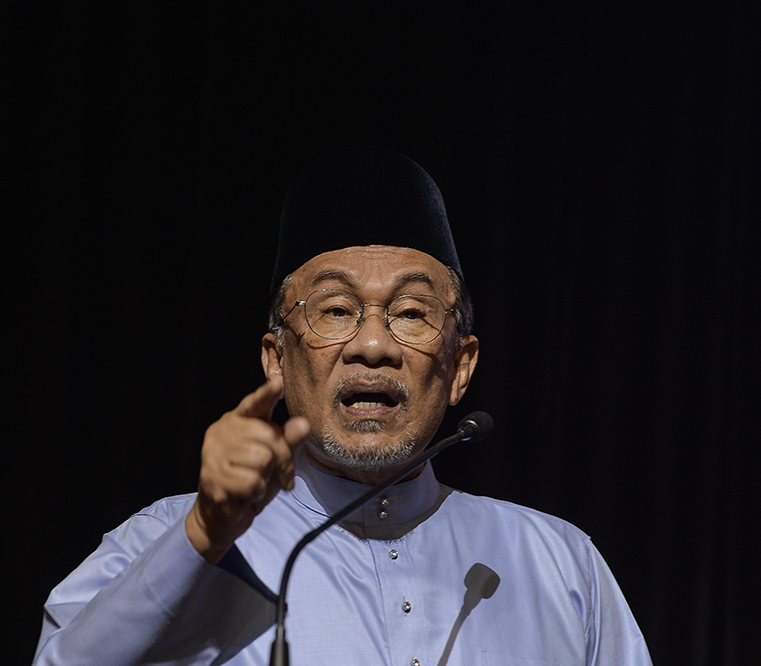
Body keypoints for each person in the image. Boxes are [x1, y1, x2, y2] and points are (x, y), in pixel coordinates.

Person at [32, 147, 654, 666]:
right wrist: (204, 536)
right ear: (276, 359)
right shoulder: (169, 540)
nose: (374, 345)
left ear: (460, 365)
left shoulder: (560, 566)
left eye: (411, 313)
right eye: (335, 310)